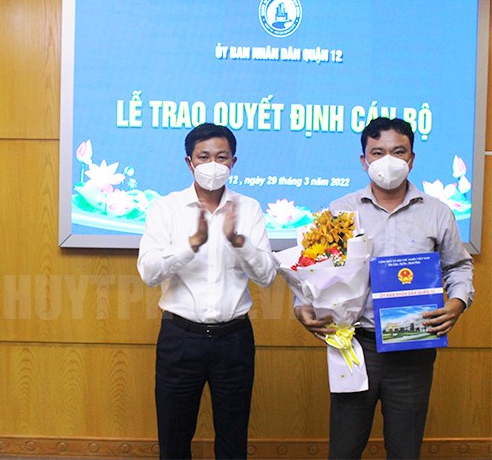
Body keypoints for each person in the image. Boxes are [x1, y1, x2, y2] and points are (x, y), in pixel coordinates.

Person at [293, 117, 474, 459]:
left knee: (405, 450)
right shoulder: (340, 211)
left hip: (413, 347)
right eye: (378, 153)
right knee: (344, 449)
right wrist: (301, 305)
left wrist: (458, 302)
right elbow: (313, 268)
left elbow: (458, 266)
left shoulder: (437, 212)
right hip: (355, 345)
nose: (388, 160)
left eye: (398, 151)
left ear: (412, 159)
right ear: (364, 160)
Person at [137, 123, 277, 459]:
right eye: (204, 157)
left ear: (233, 162)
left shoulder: (249, 208)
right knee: (174, 438)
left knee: (233, 439)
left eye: (221, 157)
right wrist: (191, 244)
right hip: (180, 337)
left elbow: (267, 276)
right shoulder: (166, 208)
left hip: (234, 340)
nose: (213, 165)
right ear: (189, 162)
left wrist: (239, 241)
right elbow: (149, 273)